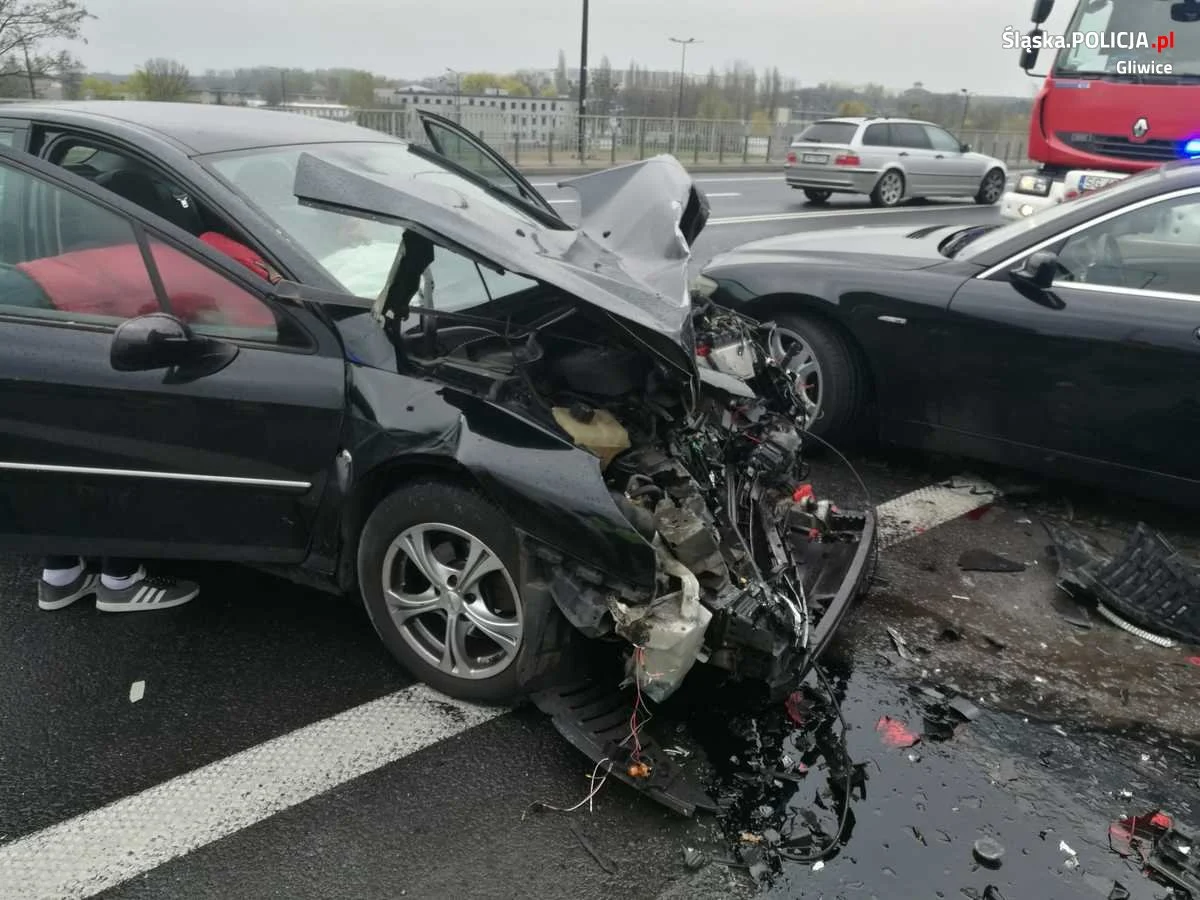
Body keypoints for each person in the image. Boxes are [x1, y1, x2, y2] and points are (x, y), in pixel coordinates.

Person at [36, 231, 279, 613]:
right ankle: (121, 581)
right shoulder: (224, 248)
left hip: (53, 339)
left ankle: (60, 574)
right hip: (128, 352)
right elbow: (263, 323)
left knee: (60, 462)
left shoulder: (105, 242)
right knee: (131, 463)